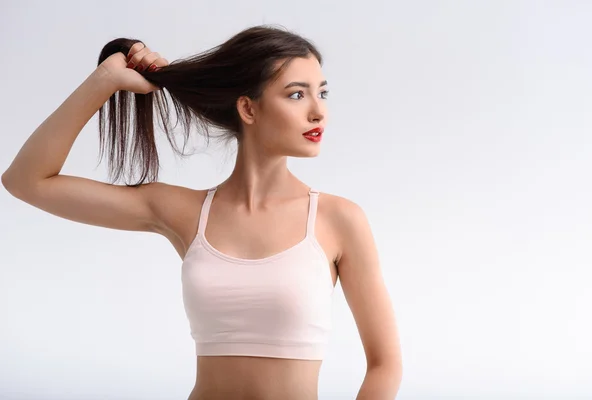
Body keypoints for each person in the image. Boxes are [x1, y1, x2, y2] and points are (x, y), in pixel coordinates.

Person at [2, 25, 402, 399]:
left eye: (323, 93)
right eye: (297, 94)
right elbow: (26, 181)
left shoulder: (338, 219)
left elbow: (385, 364)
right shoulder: (184, 211)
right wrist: (104, 82)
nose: (318, 112)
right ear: (248, 108)